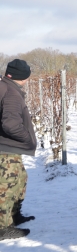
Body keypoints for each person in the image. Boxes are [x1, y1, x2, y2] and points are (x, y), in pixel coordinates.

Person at [0, 59, 37, 240]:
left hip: (8, 148)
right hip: (6, 149)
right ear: (23, 77)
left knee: (20, 180)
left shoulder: (5, 87)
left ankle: (14, 216)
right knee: (7, 187)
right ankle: (3, 227)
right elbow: (10, 124)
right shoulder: (11, 93)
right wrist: (27, 138)